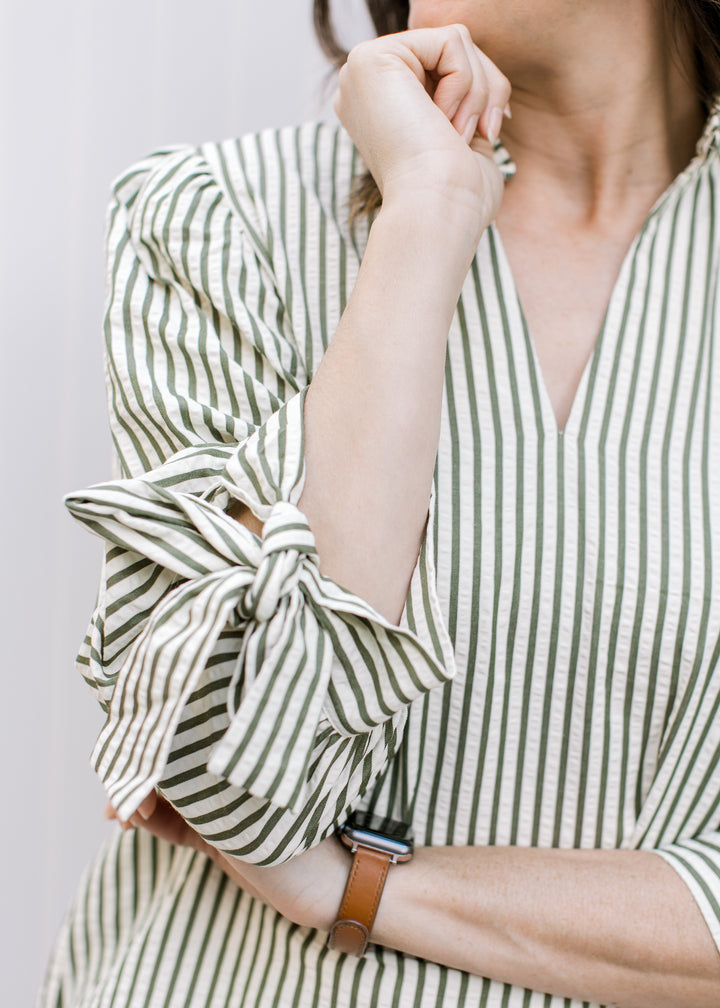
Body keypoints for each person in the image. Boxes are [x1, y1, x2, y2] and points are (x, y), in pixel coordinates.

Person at [39, 0, 720, 1005]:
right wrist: (428, 217)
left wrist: (352, 883)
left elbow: (270, 837)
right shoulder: (223, 222)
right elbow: (240, 777)